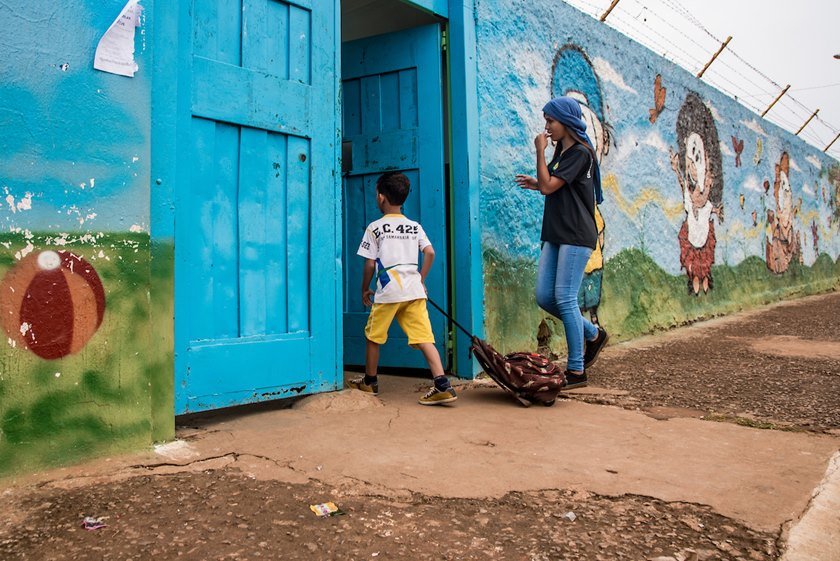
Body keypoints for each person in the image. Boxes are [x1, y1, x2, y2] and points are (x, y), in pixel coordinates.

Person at [515, 96, 609, 389]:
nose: (547, 128)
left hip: (576, 234)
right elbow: (551, 184)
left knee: (565, 298)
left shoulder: (580, 153)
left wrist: (539, 153)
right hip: (557, 231)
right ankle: (592, 334)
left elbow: (549, 187)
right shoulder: (563, 153)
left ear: (567, 123)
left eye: (550, 121)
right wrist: (538, 179)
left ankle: (577, 371)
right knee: (546, 296)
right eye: (546, 121)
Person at [347, 172, 457, 405]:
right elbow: (430, 252)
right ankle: (442, 384)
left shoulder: (375, 228)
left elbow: (369, 263)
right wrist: (421, 278)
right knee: (424, 337)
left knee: (373, 337)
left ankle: (370, 382)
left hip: (388, 293)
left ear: (380, 197)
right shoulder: (414, 226)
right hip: (413, 292)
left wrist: (364, 288)